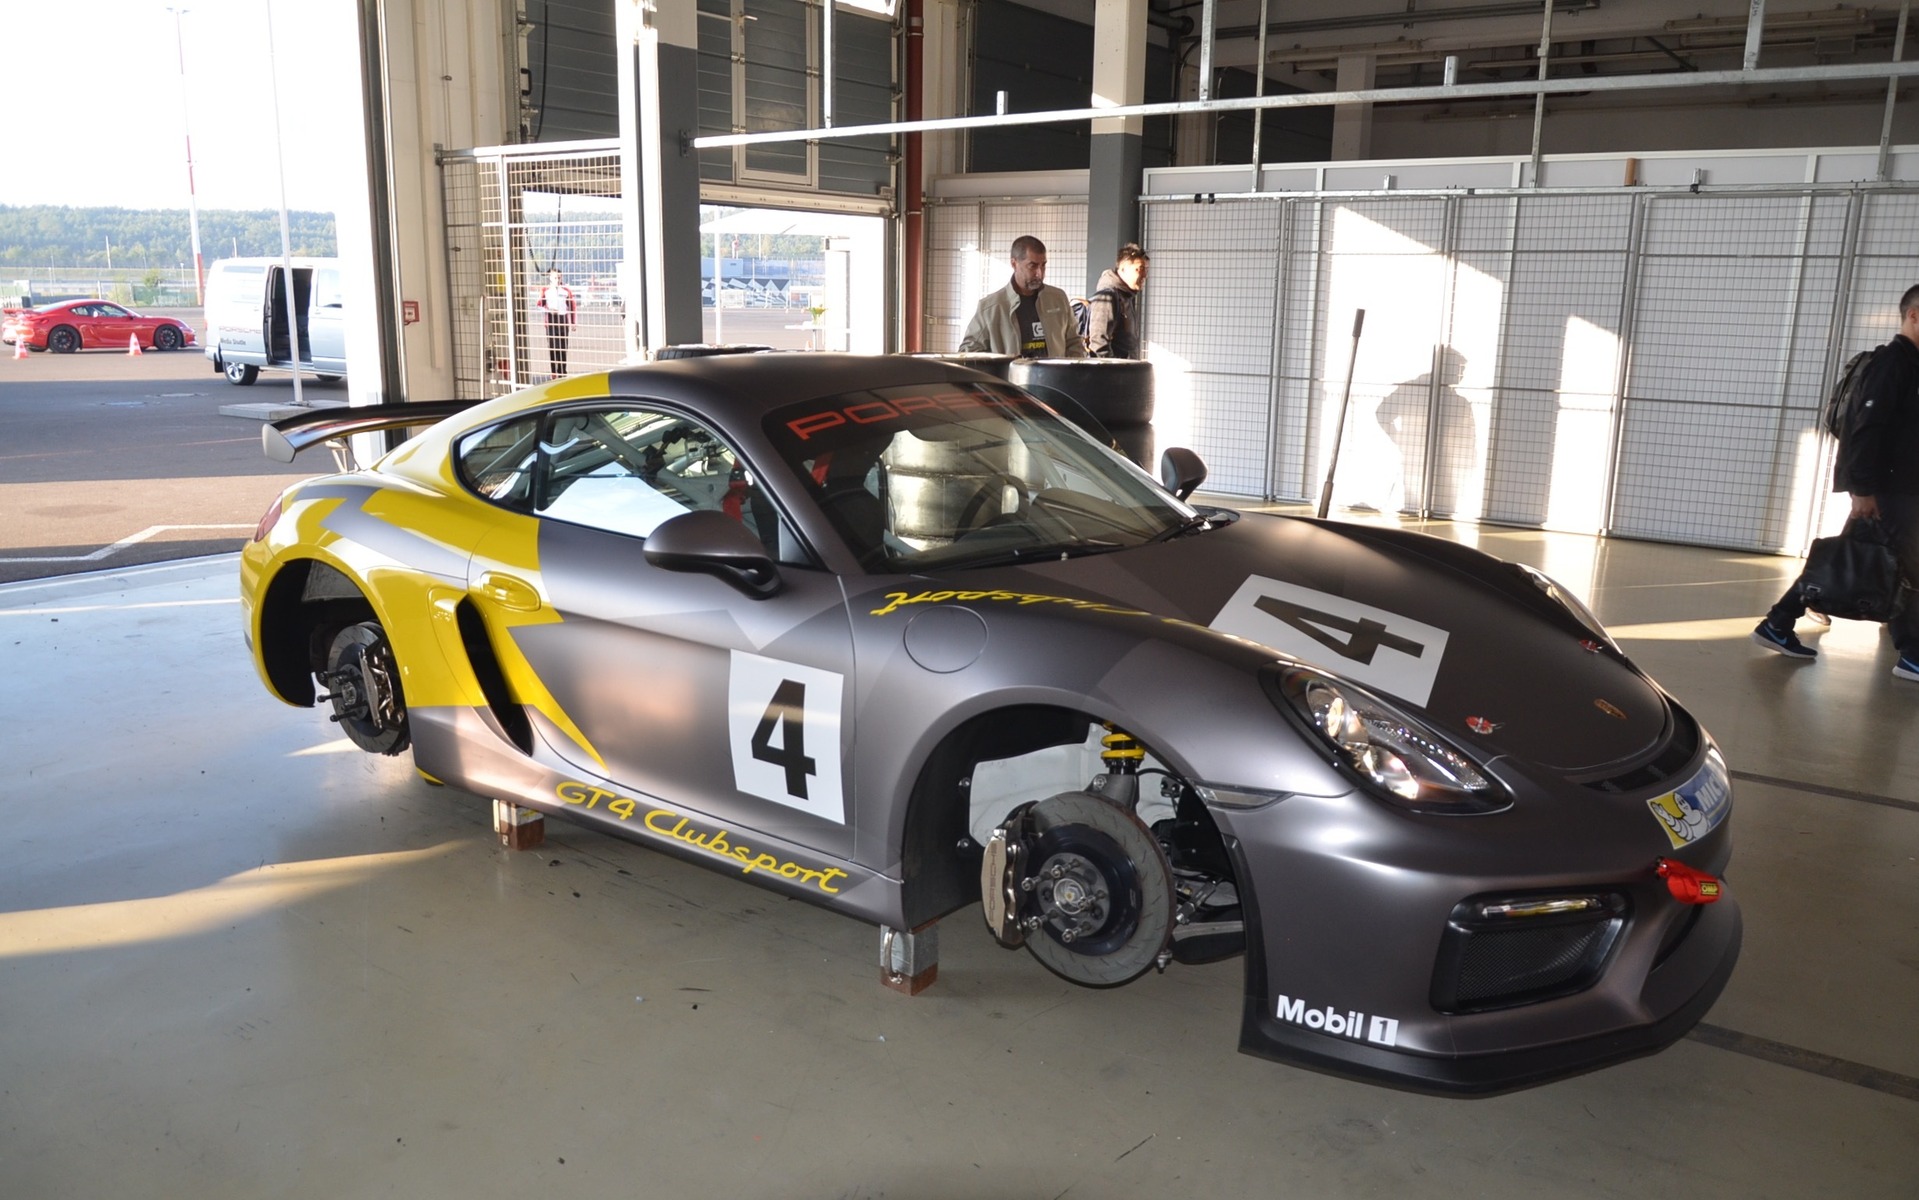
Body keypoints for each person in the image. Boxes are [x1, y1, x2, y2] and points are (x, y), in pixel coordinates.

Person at [1753, 283, 1919, 681]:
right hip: (1887, 488)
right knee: (1907, 565)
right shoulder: (1892, 364)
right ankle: (1912, 654)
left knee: (1856, 557)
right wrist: (1861, 489)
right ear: (1914, 316)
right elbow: (1865, 429)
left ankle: (1777, 623)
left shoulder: (1910, 364)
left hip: (1897, 486)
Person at [958, 236, 1085, 358]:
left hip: (1052, 374)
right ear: (1014, 264)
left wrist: (1071, 371)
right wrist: (997, 369)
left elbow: (1074, 343)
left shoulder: (1058, 299)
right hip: (1011, 374)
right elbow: (968, 353)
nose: (1040, 273)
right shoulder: (990, 308)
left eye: (1043, 265)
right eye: (1032, 266)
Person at [1083, 243, 1149, 359]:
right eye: (1140, 269)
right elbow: (1098, 344)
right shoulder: (1107, 297)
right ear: (1123, 269)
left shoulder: (1125, 296)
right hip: (1113, 370)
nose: (1145, 275)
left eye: (1146, 270)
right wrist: (1112, 369)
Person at [537, 268, 577, 377]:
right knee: (553, 347)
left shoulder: (566, 291)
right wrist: (548, 310)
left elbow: (572, 306)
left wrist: (573, 322)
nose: (557, 280)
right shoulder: (545, 290)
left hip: (563, 320)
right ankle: (554, 371)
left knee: (563, 348)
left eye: (559, 277)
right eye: (555, 277)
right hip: (551, 321)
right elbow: (539, 305)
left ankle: (562, 371)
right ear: (550, 278)